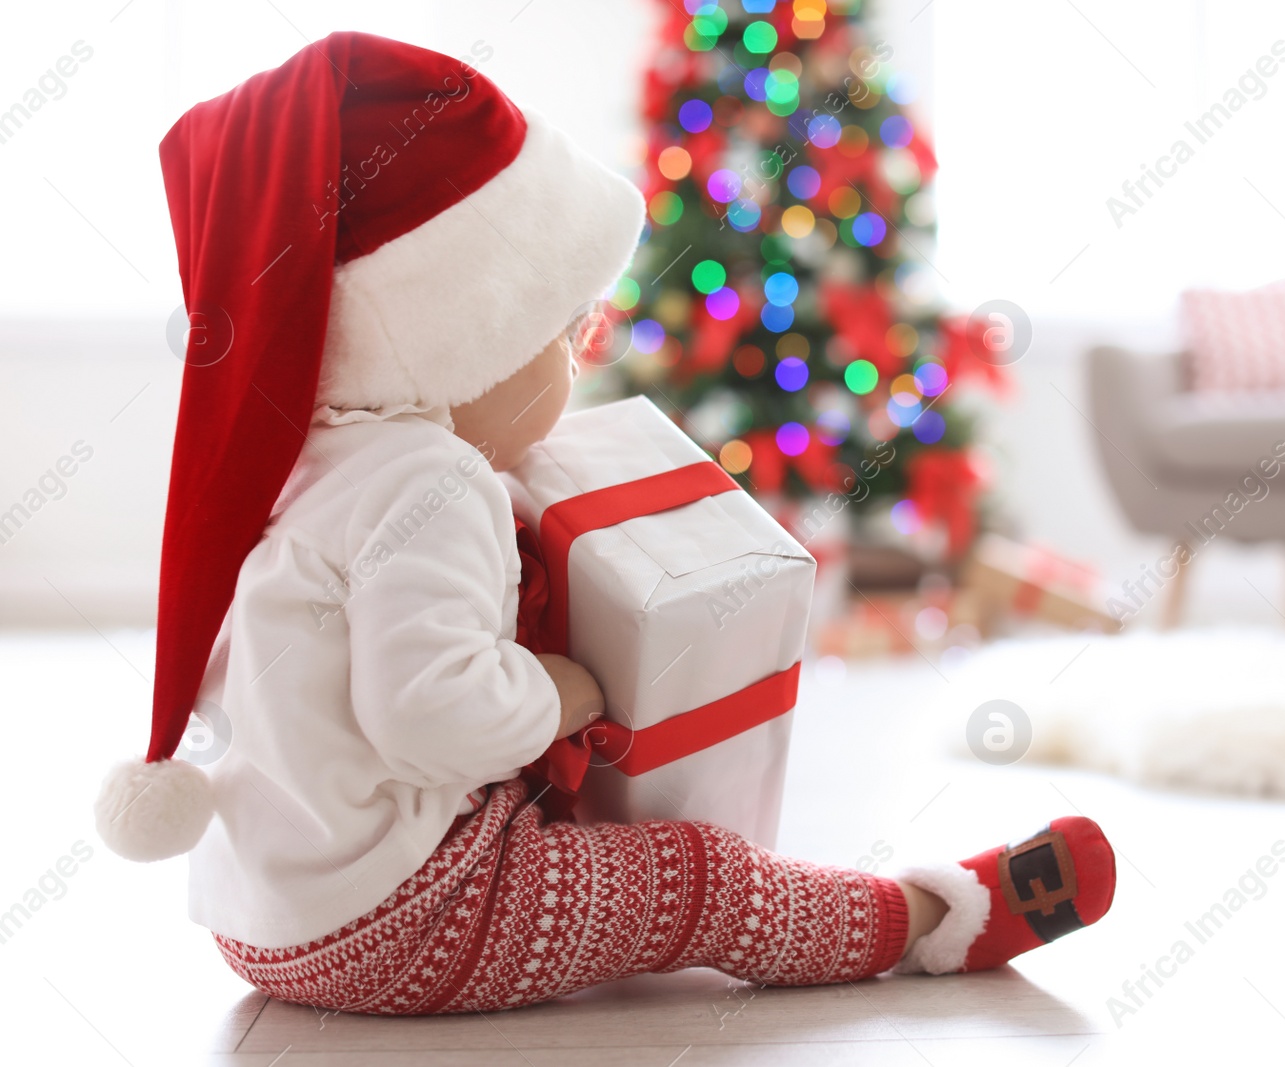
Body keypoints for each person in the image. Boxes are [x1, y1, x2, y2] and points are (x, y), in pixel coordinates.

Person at [93, 32, 1115, 1014]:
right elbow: (426, 712)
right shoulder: (429, 482)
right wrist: (560, 689)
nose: (576, 360)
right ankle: (932, 918)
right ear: (457, 338)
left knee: (584, 843)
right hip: (394, 914)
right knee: (699, 876)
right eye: (559, 331)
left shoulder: (296, 461)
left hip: (259, 914)